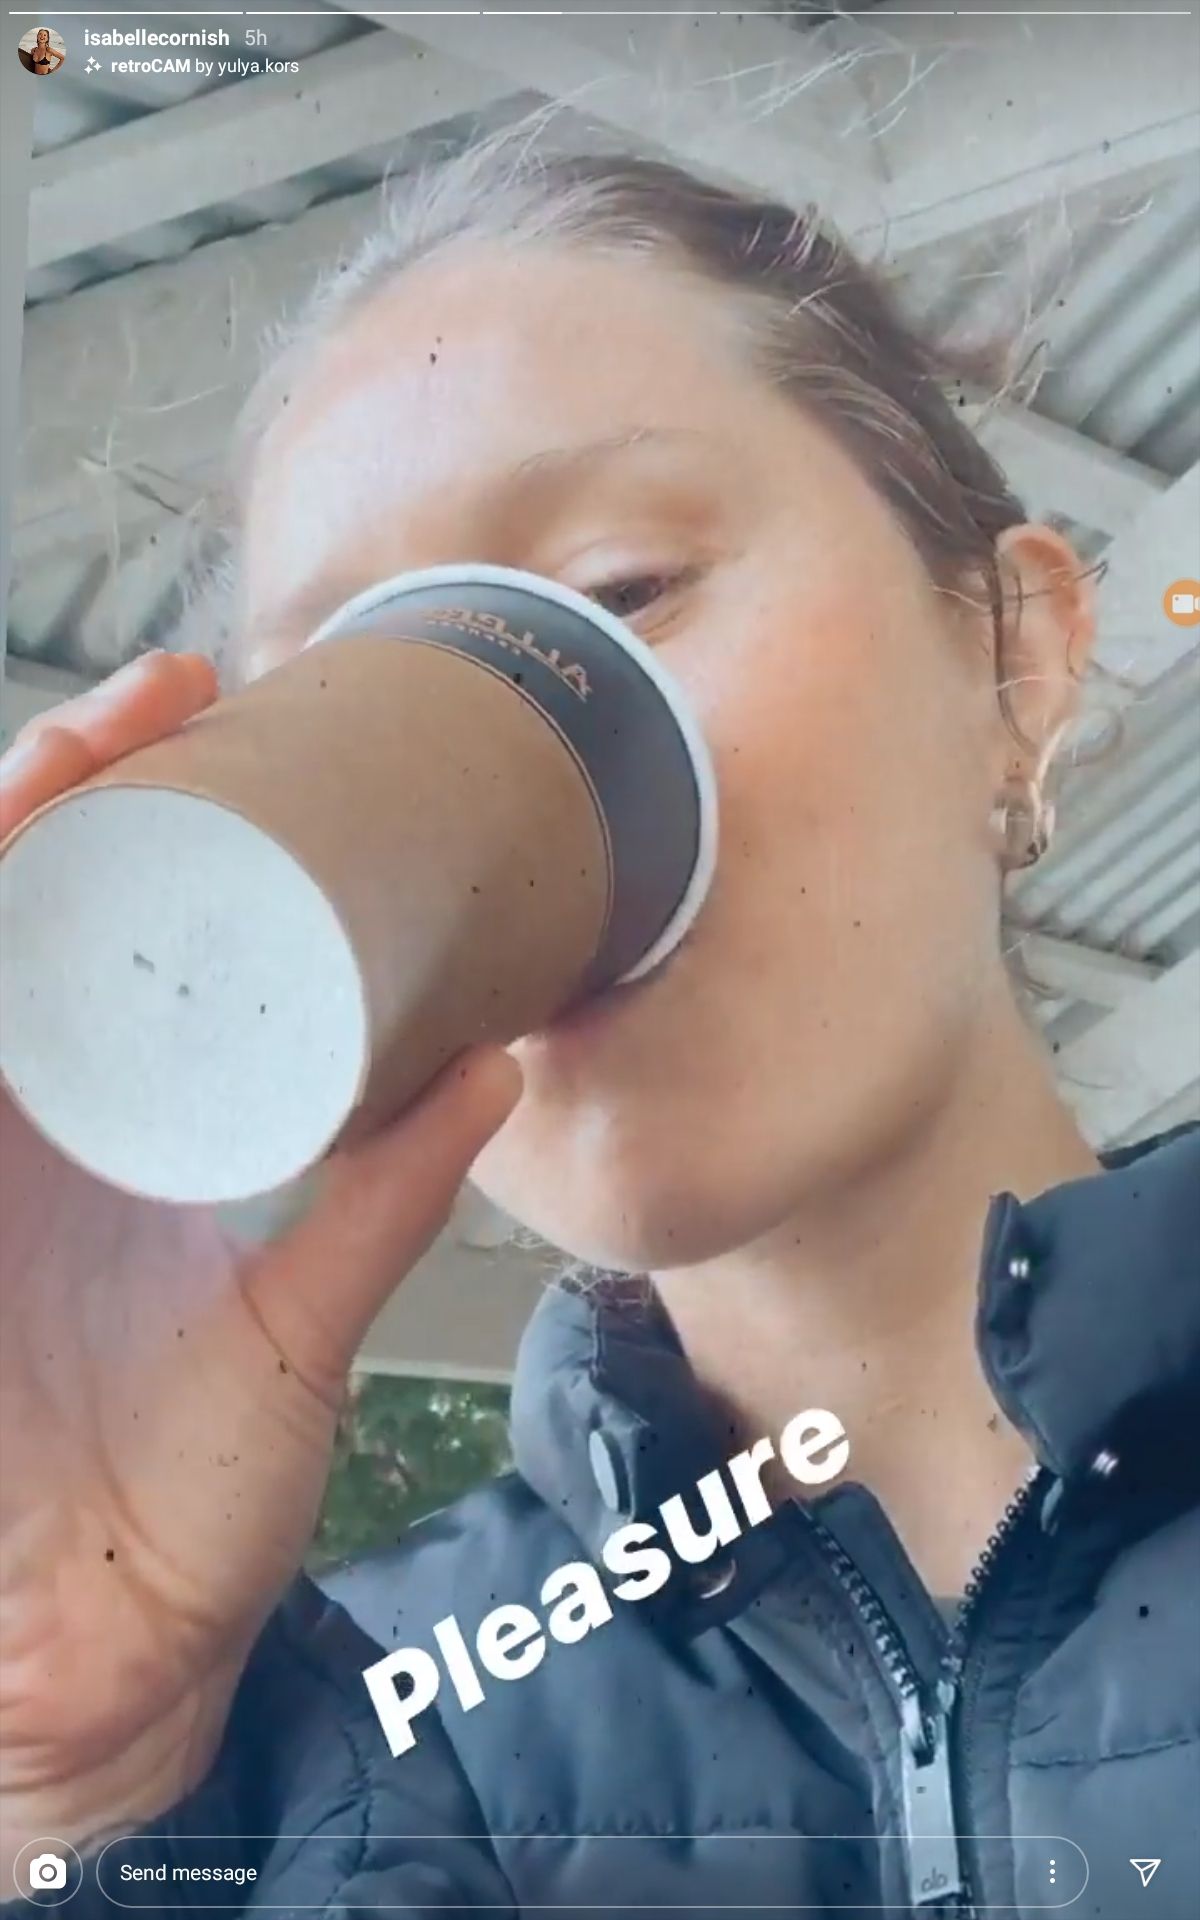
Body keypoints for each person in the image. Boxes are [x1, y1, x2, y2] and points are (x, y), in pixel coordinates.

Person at [2, 136, 1197, 1920]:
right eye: (351, 699)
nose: (486, 778)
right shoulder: (364, 1750)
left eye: (626, 588)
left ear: (1013, 659)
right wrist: (96, 1803)